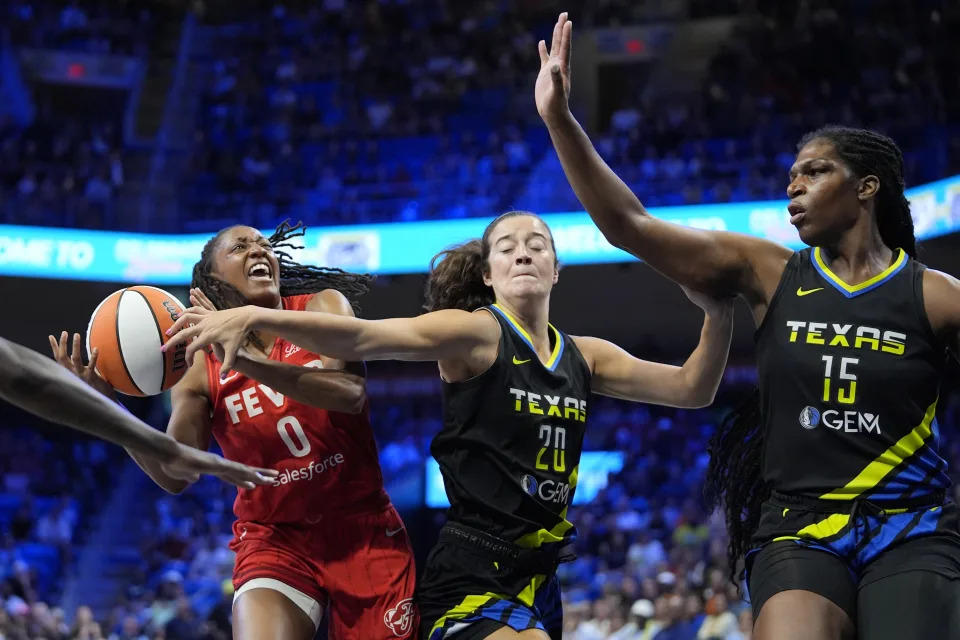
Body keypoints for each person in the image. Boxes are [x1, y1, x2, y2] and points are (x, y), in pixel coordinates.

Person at [535, 12, 960, 640]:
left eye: (814, 172)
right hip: (799, 523)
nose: (794, 186)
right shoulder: (768, 271)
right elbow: (630, 226)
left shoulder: (935, 296)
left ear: (867, 187)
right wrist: (561, 121)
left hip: (911, 525)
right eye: (791, 175)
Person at [163, 210, 734, 640]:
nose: (525, 253)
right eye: (508, 247)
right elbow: (365, 340)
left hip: (533, 573)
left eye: (539, 245)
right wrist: (254, 318)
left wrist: (717, 311)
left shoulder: (587, 356)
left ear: (558, 268)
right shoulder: (473, 331)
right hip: (470, 572)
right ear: (487, 274)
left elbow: (692, 388)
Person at [52, 221, 418, 640]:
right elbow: (176, 473)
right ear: (212, 281)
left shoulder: (321, 307)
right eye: (241, 247)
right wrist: (105, 405)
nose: (260, 250)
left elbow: (349, 394)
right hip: (275, 537)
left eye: (264, 245)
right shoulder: (197, 366)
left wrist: (243, 360)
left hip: (362, 528)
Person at [0, 335, 273, 489]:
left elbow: (26, 376)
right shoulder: (202, 371)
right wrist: (107, 399)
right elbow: (26, 377)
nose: (257, 249)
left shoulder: (307, 311)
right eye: (239, 247)